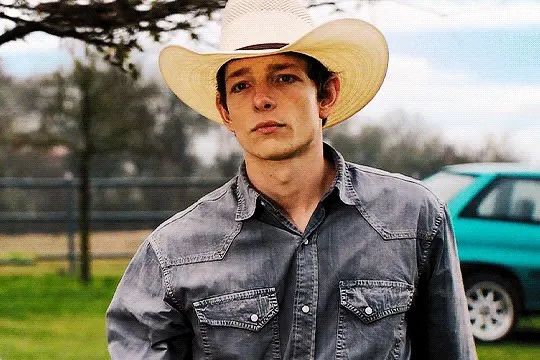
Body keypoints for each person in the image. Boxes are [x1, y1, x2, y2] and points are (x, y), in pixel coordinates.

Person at [106, 0, 477, 359]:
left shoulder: (413, 218)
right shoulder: (175, 252)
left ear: (326, 94)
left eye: (284, 77)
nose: (262, 99)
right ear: (225, 111)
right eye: (240, 85)